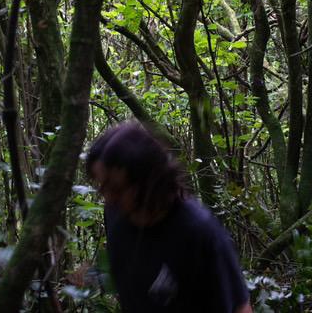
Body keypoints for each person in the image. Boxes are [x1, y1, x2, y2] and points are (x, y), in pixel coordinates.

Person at [86, 122, 252, 313]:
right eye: (102, 187)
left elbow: (240, 307)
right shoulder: (115, 213)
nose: (108, 197)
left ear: (148, 181)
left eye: (116, 188)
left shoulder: (199, 232)